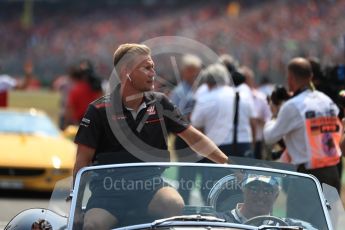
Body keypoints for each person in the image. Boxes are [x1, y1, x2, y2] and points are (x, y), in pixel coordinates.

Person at [73, 43, 229, 229]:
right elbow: (82, 162)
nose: (153, 73)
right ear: (126, 72)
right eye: (146, 68)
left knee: (174, 203)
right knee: (92, 226)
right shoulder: (97, 110)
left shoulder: (161, 103)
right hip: (108, 193)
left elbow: (194, 138)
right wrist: (75, 208)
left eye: (153, 67)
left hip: (150, 187)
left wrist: (226, 163)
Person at [263, 57, 342, 192]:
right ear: (311, 76)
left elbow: (270, 137)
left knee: (299, 214)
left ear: (290, 79)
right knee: (330, 213)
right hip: (332, 169)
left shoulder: (293, 106)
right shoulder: (326, 100)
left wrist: (275, 114)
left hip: (308, 174)